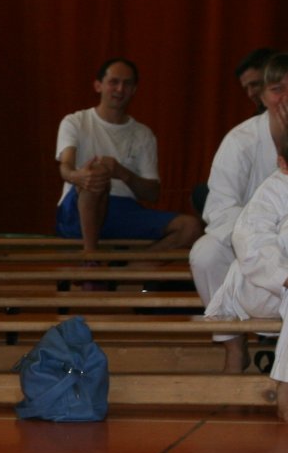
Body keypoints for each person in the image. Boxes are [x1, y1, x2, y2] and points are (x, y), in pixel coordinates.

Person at [192, 52, 288, 370]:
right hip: (250, 242)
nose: (285, 98)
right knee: (205, 254)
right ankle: (233, 344)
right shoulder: (241, 140)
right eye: (277, 89)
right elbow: (219, 208)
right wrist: (264, 241)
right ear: (263, 95)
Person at [55, 58, 204, 253]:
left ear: (134, 90)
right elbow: (65, 166)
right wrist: (80, 177)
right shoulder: (75, 121)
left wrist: (122, 173)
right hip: (78, 211)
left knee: (191, 227)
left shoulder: (143, 134)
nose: (120, 89)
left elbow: (152, 194)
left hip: (125, 211)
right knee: (97, 175)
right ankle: (90, 257)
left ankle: (135, 266)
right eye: (114, 82)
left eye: (127, 84)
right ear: (98, 86)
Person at [202, 121, 288, 420]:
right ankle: (285, 388)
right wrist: (283, 275)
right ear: (283, 164)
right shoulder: (272, 191)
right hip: (259, 288)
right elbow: (251, 242)